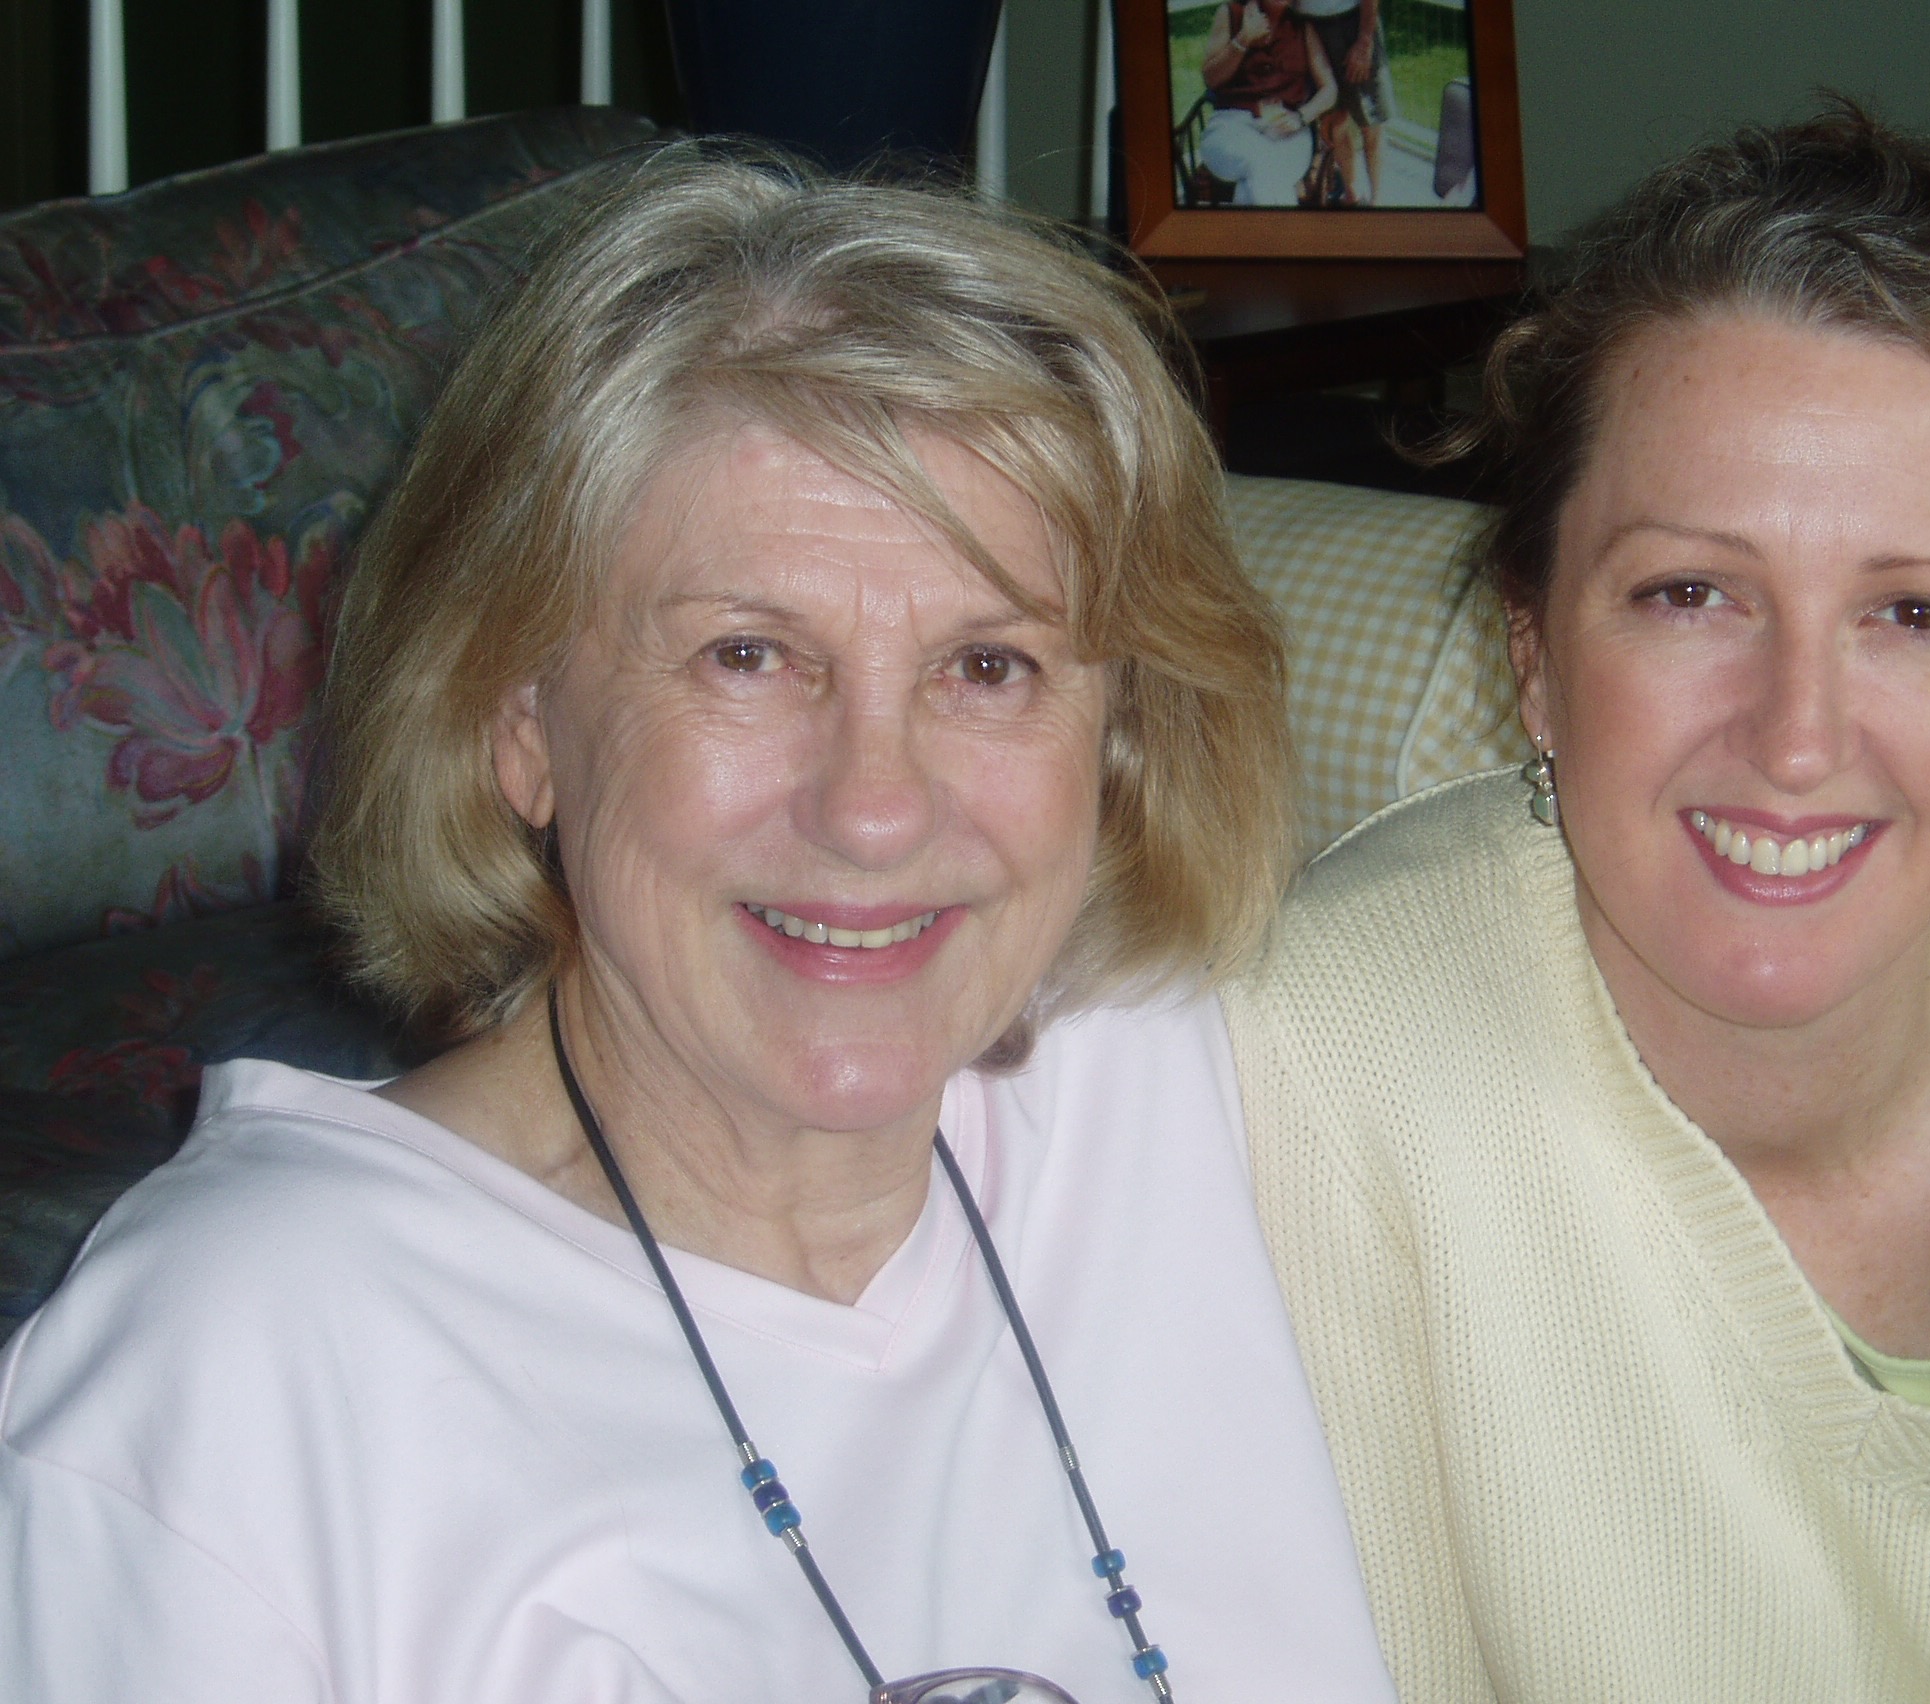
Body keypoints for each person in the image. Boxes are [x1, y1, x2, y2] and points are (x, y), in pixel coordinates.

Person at [0, 144, 1401, 1704]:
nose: (874, 809)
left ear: (1118, 736)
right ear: (517, 717)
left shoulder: (1163, 1085)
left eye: (987, 666)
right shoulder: (231, 1384)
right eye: (748, 655)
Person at [1227, 107, 1930, 1700]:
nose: (1796, 739)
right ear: (1533, 649)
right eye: (1690, 592)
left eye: (1916, 614)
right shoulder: (1316, 1079)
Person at [1196, 0, 1339, 207]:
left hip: (1287, 129)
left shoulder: (1303, 25)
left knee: (1259, 174)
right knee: (1264, 164)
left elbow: (1329, 89)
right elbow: (1211, 78)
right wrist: (1243, 39)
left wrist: (1301, 117)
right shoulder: (1232, 14)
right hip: (1231, 126)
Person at [1294, 0, 1385, 205]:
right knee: (1335, 122)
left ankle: (1377, 202)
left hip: (1354, 21)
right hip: (1310, 24)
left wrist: (1365, 40)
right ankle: (1352, 196)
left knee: (1371, 120)